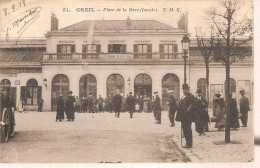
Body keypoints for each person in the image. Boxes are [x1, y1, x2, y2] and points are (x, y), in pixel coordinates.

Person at [176, 84, 197, 148]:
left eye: (185, 90)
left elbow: (192, 106)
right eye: (183, 89)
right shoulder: (183, 96)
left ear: (188, 90)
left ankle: (189, 144)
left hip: (187, 116)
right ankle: (187, 143)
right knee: (185, 129)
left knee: (188, 129)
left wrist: (187, 110)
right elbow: (180, 104)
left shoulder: (191, 97)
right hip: (183, 116)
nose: (184, 91)